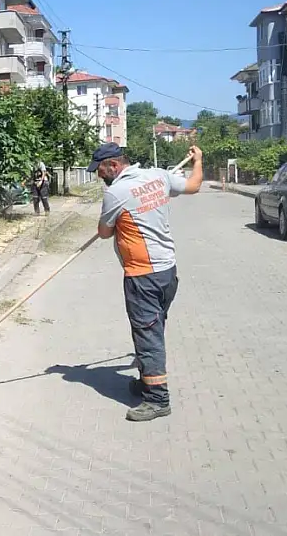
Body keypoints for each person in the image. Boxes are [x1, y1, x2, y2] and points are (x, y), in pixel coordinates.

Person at [89, 142, 203, 422]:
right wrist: (198, 160)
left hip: (142, 275)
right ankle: (147, 380)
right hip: (167, 272)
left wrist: (116, 221)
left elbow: (104, 232)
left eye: (101, 171)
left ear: (113, 166)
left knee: (147, 335)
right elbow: (193, 185)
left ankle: (157, 399)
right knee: (152, 329)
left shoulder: (116, 192)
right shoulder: (159, 176)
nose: (100, 176)